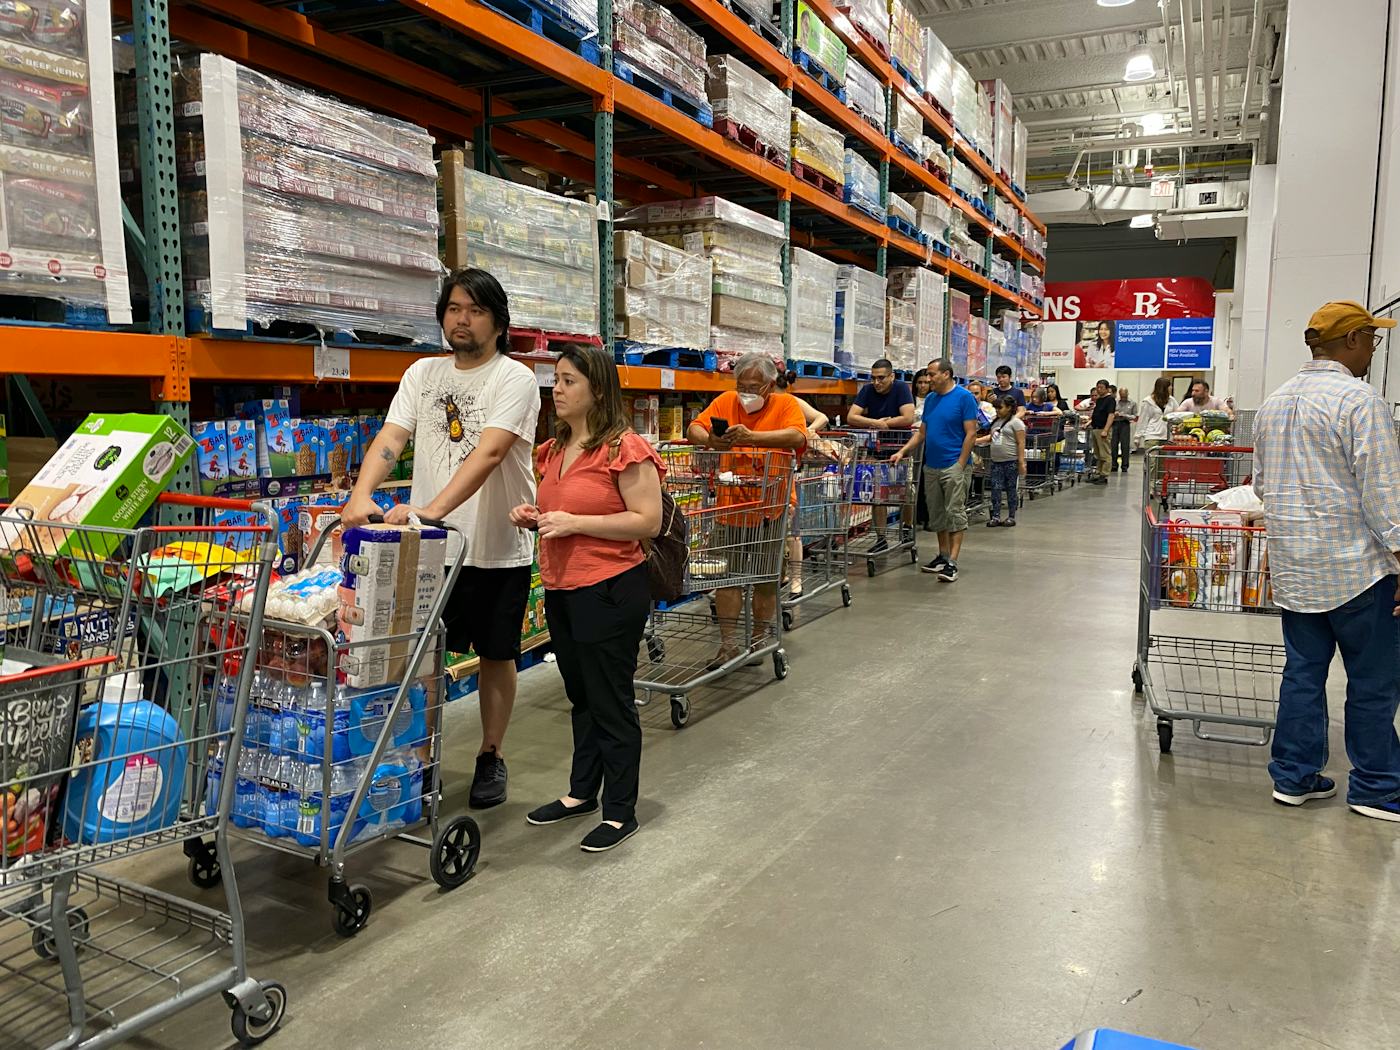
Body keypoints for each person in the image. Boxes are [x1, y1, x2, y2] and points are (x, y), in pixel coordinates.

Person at [344, 268, 540, 811]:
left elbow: (491, 451)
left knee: (497, 656)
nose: (462, 319)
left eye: (474, 310)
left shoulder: (514, 379)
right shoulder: (422, 374)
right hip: (430, 552)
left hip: (496, 547)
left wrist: (431, 509)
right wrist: (361, 495)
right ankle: (423, 758)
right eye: (454, 308)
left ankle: (490, 754)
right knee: (423, 657)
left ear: (498, 323)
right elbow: (392, 437)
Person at [1251, 300, 1400, 822]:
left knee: (1303, 675)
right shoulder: (1360, 401)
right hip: (1359, 571)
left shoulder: (1273, 403)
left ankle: (1294, 776)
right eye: (1373, 341)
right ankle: (1378, 788)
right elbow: (1384, 493)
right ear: (1355, 340)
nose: (1373, 352)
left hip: (1297, 569)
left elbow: (1264, 488)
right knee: (1373, 682)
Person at [510, 344, 663, 852]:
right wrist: (535, 515)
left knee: (610, 698)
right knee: (581, 696)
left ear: (598, 389)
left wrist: (575, 522)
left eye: (570, 380)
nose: (558, 388)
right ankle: (582, 792)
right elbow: (563, 512)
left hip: (611, 588)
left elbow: (648, 521)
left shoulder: (624, 447)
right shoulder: (552, 451)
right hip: (562, 588)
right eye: (556, 379)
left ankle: (621, 811)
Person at [688, 354, 807, 665]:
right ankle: (728, 644)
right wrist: (712, 440)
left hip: (771, 507)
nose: (746, 393)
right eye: (742, 386)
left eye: (754, 387)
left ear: (769, 385)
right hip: (731, 507)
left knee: (766, 579)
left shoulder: (786, 406)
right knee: (727, 579)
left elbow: (797, 436)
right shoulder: (726, 400)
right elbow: (693, 429)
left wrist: (752, 438)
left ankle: (757, 641)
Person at [891, 359, 977, 583]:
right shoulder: (930, 399)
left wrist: (960, 464)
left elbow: (971, 434)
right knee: (937, 514)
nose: (928, 379)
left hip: (953, 466)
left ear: (946, 374)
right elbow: (922, 432)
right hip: (932, 465)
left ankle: (952, 563)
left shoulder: (964, 398)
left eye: (932, 374)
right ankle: (942, 555)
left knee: (955, 513)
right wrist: (903, 451)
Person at [847, 358, 916, 555]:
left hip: (900, 449)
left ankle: (907, 527)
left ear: (892, 376)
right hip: (876, 449)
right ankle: (881, 537)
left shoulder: (901, 389)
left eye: (881, 378)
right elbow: (851, 416)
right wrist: (877, 423)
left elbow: (908, 417)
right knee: (877, 494)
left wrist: (888, 424)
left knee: (905, 491)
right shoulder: (868, 390)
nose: (877, 382)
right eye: (874, 378)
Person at [775, 370, 830, 598]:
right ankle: (782, 574)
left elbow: (822, 418)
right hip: (762, 473)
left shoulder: (791, 402)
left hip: (787, 471)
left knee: (792, 531)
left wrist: (806, 432)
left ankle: (796, 579)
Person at [976, 395, 1026, 527]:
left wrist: (1021, 462)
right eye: (996, 408)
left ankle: (1011, 516)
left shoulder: (1016, 423)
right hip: (996, 461)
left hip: (1011, 461)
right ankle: (996, 516)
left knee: (1010, 489)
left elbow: (1021, 443)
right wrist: (975, 441)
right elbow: (991, 437)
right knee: (995, 489)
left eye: (1000, 407)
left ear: (1009, 408)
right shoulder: (996, 422)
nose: (997, 410)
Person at [1136, 377, 1178, 483]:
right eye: (1169, 386)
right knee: (1152, 463)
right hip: (1152, 436)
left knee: (1162, 465)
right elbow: (1143, 419)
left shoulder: (1172, 401)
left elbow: (1178, 414)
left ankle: (1159, 485)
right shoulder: (1148, 401)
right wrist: (1138, 436)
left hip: (1167, 436)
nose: (1171, 388)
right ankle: (1149, 487)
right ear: (1163, 387)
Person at [1087, 379, 1115, 484]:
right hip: (1096, 428)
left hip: (1103, 429)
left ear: (1107, 389)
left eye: (1101, 388)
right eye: (1097, 387)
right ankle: (1098, 473)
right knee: (1098, 454)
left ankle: (1104, 475)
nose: (1099, 389)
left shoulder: (1110, 400)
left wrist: (1106, 430)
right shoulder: (1099, 400)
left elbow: (1111, 415)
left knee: (1105, 454)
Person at [1111, 385, 1138, 472]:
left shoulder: (1133, 403)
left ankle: (1125, 466)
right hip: (1114, 423)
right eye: (1121, 395)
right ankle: (1114, 465)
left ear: (1127, 393)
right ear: (1119, 394)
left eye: (1124, 395)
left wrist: (1124, 415)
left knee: (1125, 446)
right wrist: (1114, 414)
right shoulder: (1114, 402)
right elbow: (1110, 413)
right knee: (1113, 445)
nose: (1123, 397)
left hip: (1125, 424)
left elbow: (1135, 416)